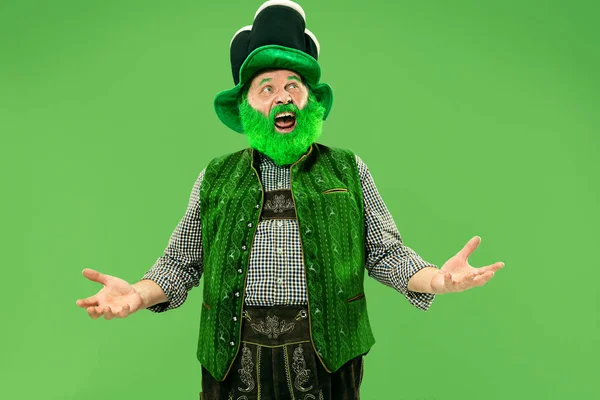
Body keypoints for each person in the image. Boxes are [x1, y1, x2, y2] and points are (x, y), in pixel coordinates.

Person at [76, 1, 504, 399]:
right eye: (266, 88)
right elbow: (179, 264)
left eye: (293, 86)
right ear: (246, 106)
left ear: (309, 100)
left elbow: (386, 253)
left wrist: (437, 280)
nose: (282, 96)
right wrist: (136, 293)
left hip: (327, 361)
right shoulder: (216, 178)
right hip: (233, 363)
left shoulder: (347, 170)